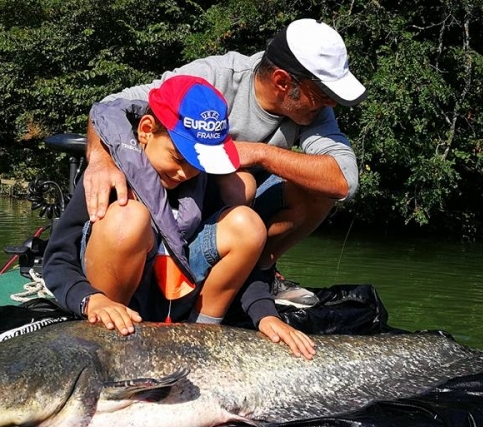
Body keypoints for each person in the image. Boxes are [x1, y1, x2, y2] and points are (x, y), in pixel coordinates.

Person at [82, 19, 367, 308]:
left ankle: (260, 274)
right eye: (323, 95)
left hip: (242, 214)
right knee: (241, 184)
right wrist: (101, 160)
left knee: (316, 189)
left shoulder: (314, 112)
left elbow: (344, 181)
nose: (330, 105)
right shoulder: (215, 76)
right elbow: (111, 106)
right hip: (187, 206)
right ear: (282, 81)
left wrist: (260, 154)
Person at [43, 75, 316, 359]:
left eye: (197, 163)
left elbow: (250, 268)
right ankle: (108, 338)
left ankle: (202, 333)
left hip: (176, 295)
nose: (185, 173)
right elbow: (58, 259)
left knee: (246, 222)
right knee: (128, 216)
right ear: (147, 131)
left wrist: (265, 314)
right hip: (110, 300)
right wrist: (90, 300)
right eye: (178, 157)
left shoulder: (204, 179)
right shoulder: (106, 176)